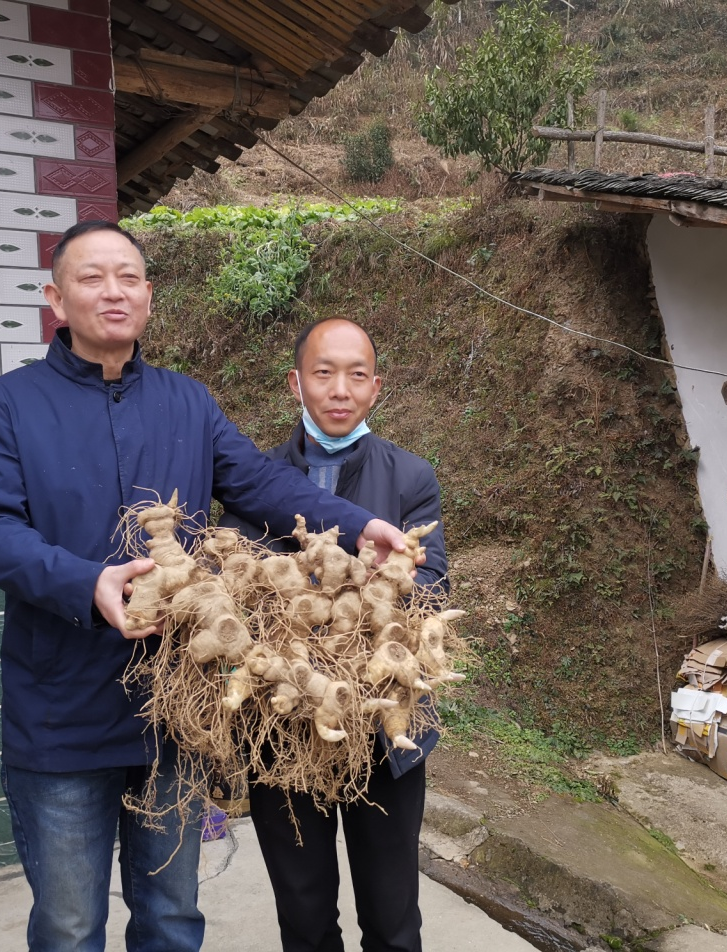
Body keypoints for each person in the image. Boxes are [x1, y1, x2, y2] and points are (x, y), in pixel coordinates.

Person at [0, 223, 415, 952]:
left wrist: (359, 526)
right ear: (56, 299)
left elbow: (262, 483)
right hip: (60, 712)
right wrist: (87, 582)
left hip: (176, 707)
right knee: (70, 925)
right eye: (93, 277)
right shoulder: (5, 406)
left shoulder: (186, 403)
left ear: (148, 295)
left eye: (129, 277)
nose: (114, 292)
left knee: (171, 916)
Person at [224, 316, 447, 952]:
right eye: (323, 373)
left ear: (377, 387)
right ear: (297, 383)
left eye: (355, 375)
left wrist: (388, 591)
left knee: (392, 914)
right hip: (284, 727)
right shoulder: (254, 480)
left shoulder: (410, 478)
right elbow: (238, 591)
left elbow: (434, 587)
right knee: (303, 913)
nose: (339, 389)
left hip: (384, 727)